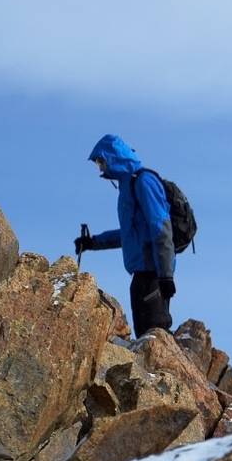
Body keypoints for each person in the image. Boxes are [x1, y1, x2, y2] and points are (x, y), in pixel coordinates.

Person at [74, 134, 175, 335]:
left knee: (154, 336)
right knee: (145, 337)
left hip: (153, 275)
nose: (100, 168)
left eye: (101, 161)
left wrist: (165, 275)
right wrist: (93, 242)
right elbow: (129, 234)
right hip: (140, 275)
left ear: (113, 157)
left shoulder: (143, 181)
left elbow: (161, 227)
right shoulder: (127, 187)